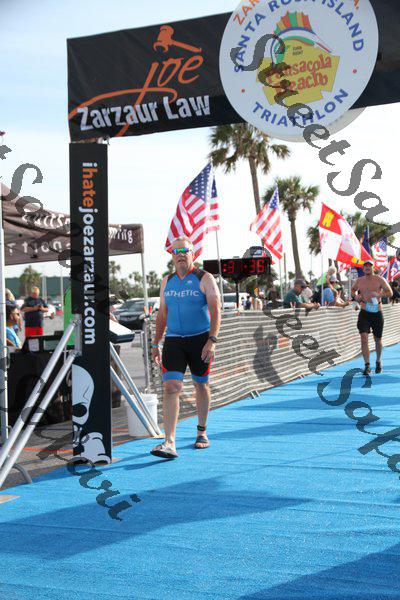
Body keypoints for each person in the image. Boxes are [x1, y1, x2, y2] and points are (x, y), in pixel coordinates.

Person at [150, 236, 221, 459]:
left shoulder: (204, 278)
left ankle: (201, 431)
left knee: (201, 384)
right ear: (172, 256)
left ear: (193, 254)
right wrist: (155, 343)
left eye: (185, 251)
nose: (181, 254)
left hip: (200, 340)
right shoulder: (167, 281)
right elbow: (162, 315)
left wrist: (212, 340)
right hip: (174, 340)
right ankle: (169, 441)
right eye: (176, 251)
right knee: (171, 386)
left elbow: (216, 309)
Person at [351, 259, 393, 375]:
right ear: (363, 268)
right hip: (364, 312)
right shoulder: (359, 280)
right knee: (364, 338)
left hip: (377, 313)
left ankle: (378, 361)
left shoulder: (379, 279)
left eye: (369, 266)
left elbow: (390, 292)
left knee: (377, 340)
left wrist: (379, 294)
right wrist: (356, 296)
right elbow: (353, 290)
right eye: (365, 266)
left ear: (373, 268)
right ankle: (367, 365)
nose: (367, 267)